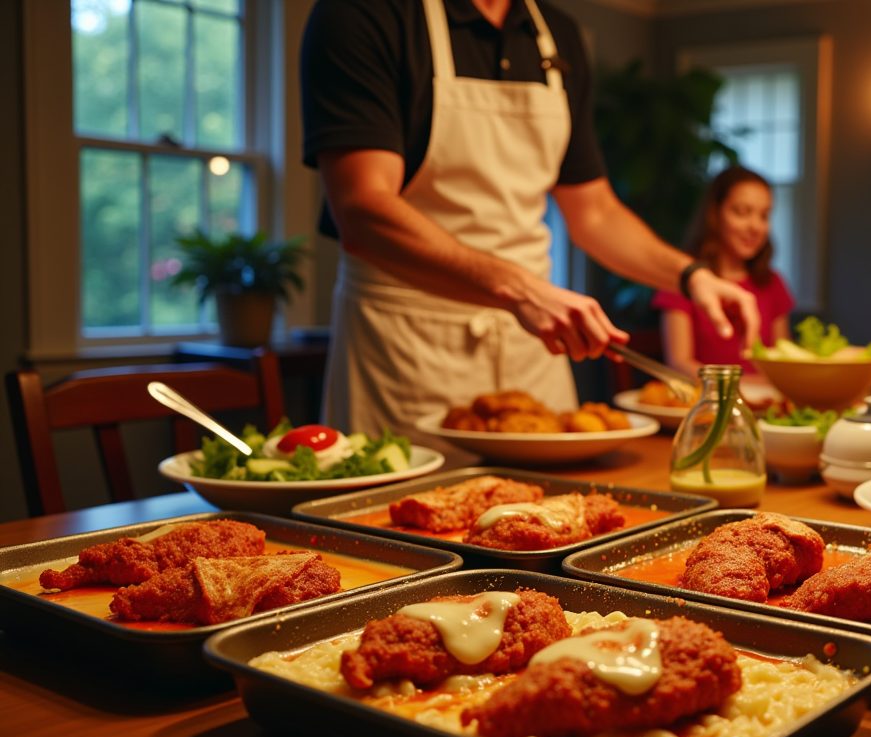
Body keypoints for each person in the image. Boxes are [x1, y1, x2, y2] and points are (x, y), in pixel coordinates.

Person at [299, 0, 760, 453]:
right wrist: (518, 289)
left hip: (532, 346)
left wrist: (692, 276)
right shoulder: (361, 13)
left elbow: (594, 212)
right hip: (405, 349)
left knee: (552, 521)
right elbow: (363, 208)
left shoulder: (555, 33)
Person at [652, 166, 794, 378]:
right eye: (741, 212)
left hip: (763, 406)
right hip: (705, 403)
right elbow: (679, 362)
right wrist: (739, 388)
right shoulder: (686, 280)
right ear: (715, 214)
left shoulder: (773, 283)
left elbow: (783, 359)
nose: (755, 226)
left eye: (764, 215)